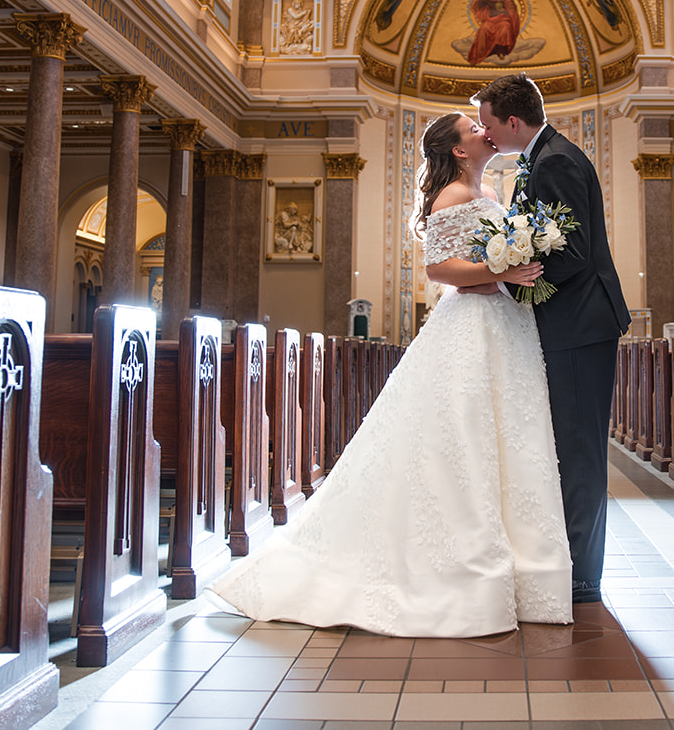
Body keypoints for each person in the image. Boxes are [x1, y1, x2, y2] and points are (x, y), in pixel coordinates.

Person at [212, 113, 572, 636]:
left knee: (511, 437)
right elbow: (440, 269)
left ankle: (523, 570)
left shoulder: (491, 188)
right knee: (463, 438)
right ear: (458, 151)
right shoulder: (450, 196)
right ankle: (463, 571)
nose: (482, 131)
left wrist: (514, 266)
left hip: (504, 325)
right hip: (469, 325)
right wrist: (504, 269)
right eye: (473, 129)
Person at [472, 74, 631, 605]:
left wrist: (516, 283)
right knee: (567, 445)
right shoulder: (541, 158)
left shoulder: (555, 161)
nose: (487, 134)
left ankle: (584, 576)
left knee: (581, 449)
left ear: (513, 120)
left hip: (580, 325)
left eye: (490, 124)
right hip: (569, 324)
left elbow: (572, 252)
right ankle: (571, 563)